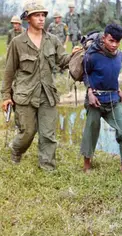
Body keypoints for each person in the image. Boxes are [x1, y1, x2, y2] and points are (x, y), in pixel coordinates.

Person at [1, 0, 80, 171]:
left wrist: (74, 56)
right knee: (27, 132)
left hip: (47, 94)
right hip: (25, 94)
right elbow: (9, 72)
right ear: (27, 18)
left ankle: (47, 167)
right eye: (37, 15)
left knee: (48, 134)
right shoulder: (17, 42)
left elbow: (62, 61)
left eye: (43, 15)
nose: (41, 18)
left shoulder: (52, 40)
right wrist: (6, 96)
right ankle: (16, 150)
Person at [80, 24, 122, 173]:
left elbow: (112, 75)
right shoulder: (91, 56)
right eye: (111, 40)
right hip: (95, 100)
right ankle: (87, 164)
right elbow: (86, 75)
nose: (114, 45)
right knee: (91, 130)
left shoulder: (120, 56)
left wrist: (118, 90)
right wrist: (90, 93)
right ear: (104, 37)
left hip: (113, 99)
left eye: (117, 42)